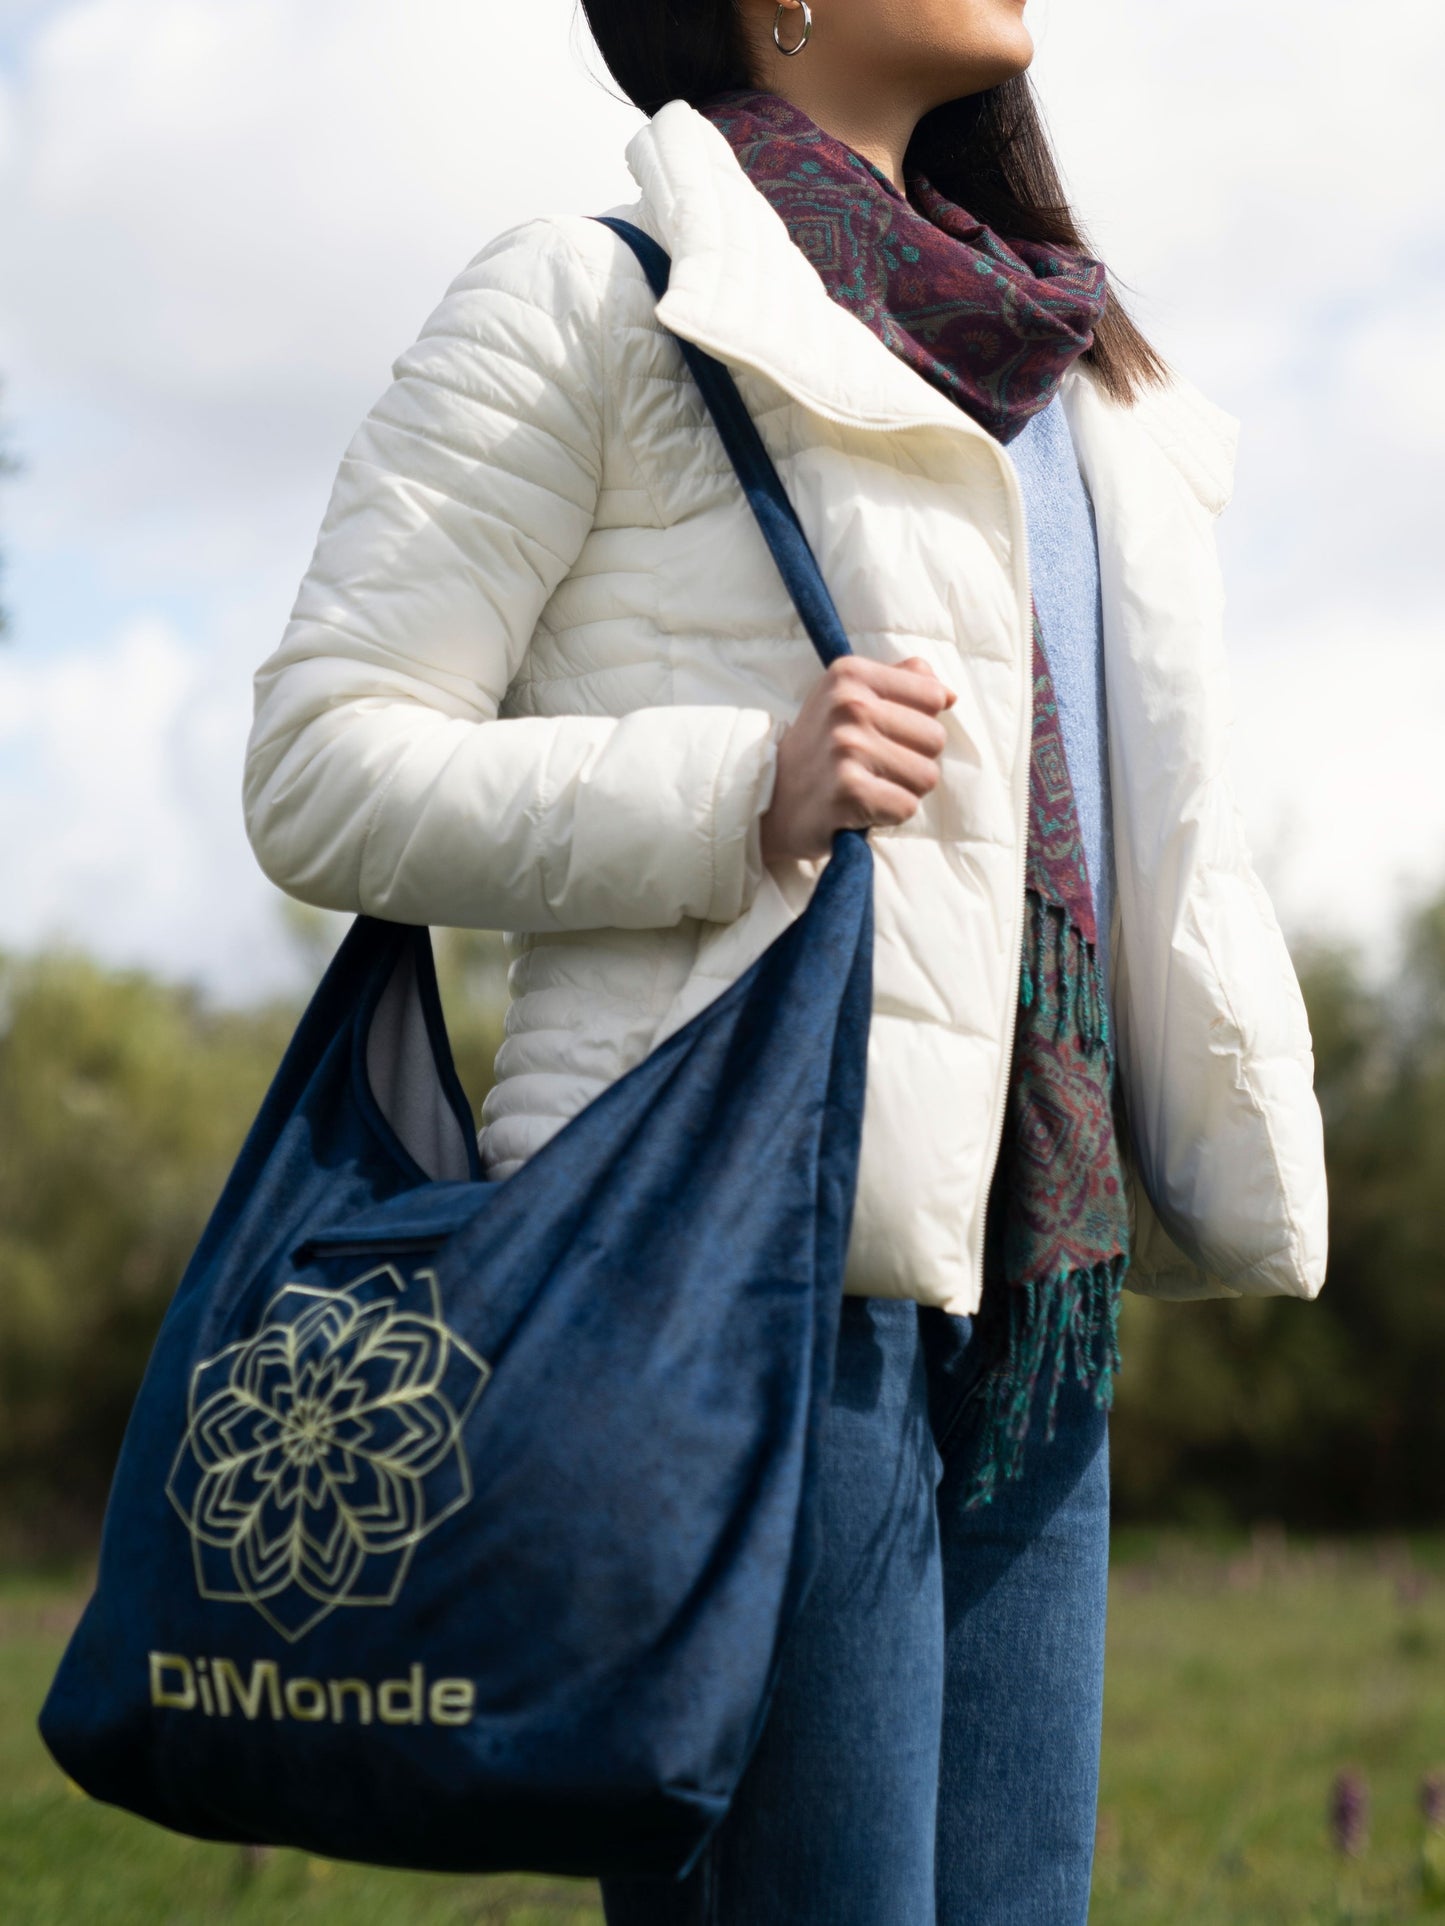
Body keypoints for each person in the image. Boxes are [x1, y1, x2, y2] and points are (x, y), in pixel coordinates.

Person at [242, 0, 1328, 1918]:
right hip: (742, 1296)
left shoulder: (1071, 376)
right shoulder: (593, 301)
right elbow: (322, 768)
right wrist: (743, 784)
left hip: (1026, 1308)